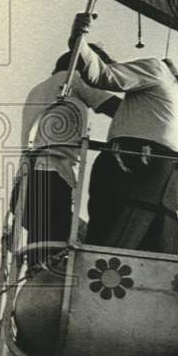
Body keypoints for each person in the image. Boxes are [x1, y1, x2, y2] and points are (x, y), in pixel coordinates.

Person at [69, 13, 178, 255]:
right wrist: (79, 39)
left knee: (162, 274)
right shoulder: (158, 73)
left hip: (160, 198)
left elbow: (172, 183)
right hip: (128, 179)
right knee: (106, 264)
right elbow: (103, 75)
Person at [16, 46, 120, 267]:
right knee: (51, 257)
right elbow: (115, 107)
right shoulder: (71, 78)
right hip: (51, 178)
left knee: (48, 249)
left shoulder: (38, 89)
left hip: (27, 182)